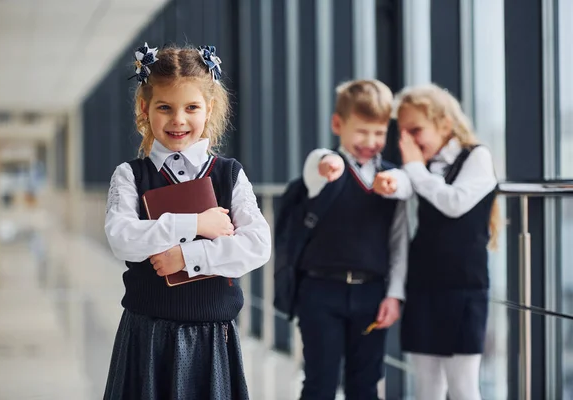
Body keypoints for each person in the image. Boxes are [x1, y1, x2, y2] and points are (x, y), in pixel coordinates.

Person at [102, 42, 271, 400]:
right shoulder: (129, 175)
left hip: (212, 339)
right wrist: (194, 225)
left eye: (191, 107)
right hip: (146, 337)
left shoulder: (229, 175)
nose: (178, 120)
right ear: (145, 109)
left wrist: (186, 258)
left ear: (208, 109)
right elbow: (121, 238)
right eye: (165, 107)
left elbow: (257, 246)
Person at [374, 83, 500, 400]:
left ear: (445, 123)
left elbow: (454, 202)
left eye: (415, 130)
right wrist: (400, 177)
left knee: (463, 387)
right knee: (427, 388)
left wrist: (414, 168)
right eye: (402, 134)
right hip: (423, 286)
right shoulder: (419, 166)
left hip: (464, 288)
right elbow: (405, 184)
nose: (408, 143)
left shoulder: (477, 157)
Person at [297, 79, 410, 400]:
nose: (370, 141)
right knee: (320, 383)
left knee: (366, 386)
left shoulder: (393, 179)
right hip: (321, 292)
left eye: (379, 133)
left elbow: (399, 241)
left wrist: (394, 295)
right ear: (337, 124)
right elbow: (315, 168)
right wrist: (328, 165)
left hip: (372, 295)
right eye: (361, 132)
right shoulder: (326, 164)